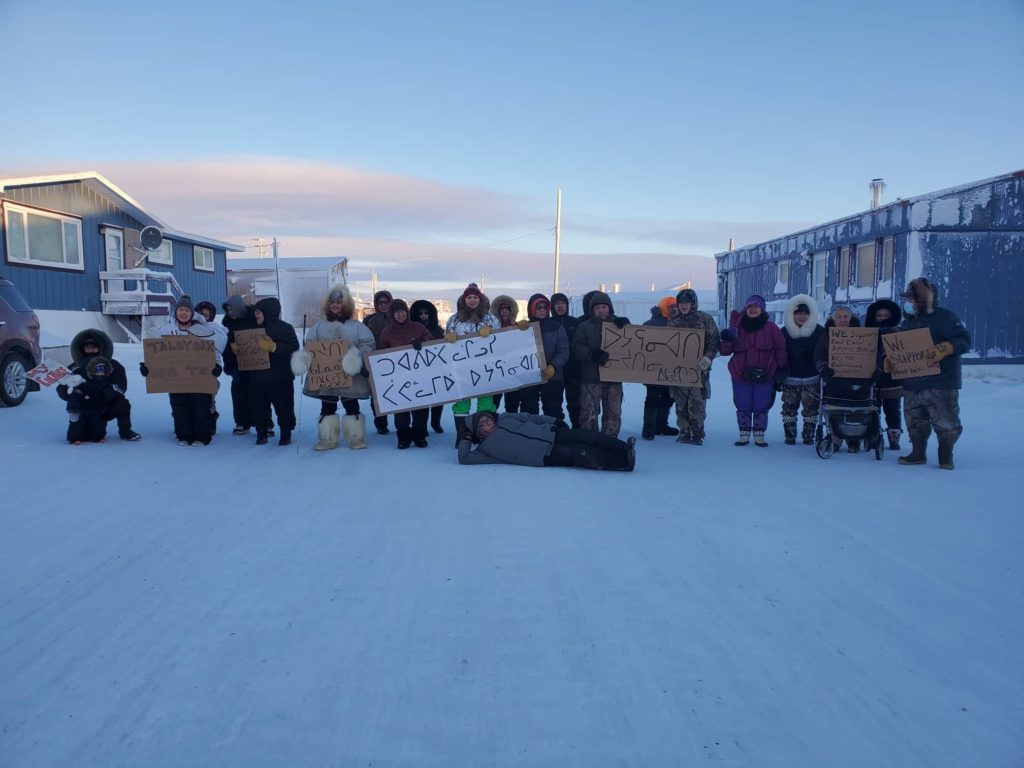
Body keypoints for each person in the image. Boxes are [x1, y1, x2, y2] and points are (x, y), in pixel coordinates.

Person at [892, 278, 971, 470]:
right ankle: (917, 452)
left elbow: (964, 340)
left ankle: (946, 454)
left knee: (945, 421)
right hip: (912, 383)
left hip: (941, 382)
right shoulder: (907, 322)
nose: (909, 303)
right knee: (914, 420)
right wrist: (892, 361)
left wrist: (947, 347)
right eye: (907, 299)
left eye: (912, 298)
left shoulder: (946, 318)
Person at [290, 286, 374, 451]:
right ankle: (328, 438)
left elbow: (369, 344)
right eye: (333, 302)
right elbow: (310, 346)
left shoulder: (356, 326)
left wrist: (354, 356)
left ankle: (355, 438)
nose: (335, 305)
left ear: (346, 304)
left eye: (339, 302)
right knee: (328, 406)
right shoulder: (319, 326)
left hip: (351, 375)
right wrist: (304, 358)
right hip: (327, 376)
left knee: (351, 405)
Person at [140, 295, 223, 446]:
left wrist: (217, 365)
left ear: (191, 313)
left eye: (186, 310)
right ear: (176, 312)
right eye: (180, 310)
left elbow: (214, 351)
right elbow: (156, 354)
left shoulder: (202, 330)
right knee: (180, 407)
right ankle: (183, 435)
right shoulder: (165, 331)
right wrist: (148, 367)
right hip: (176, 378)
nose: (183, 313)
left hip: (199, 377)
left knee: (201, 407)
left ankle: (202, 436)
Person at [457, 411, 636, 471]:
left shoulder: (505, 418)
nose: (489, 422)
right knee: (581, 453)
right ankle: (624, 461)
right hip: (543, 455)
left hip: (551, 433)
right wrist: (465, 437)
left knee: (584, 435)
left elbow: (531, 417)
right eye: (483, 424)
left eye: (488, 419)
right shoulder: (487, 450)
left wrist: (553, 421)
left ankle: (622, 447)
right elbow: (464, 458)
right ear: (479, 433)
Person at [719, 294, 787, 447]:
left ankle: (759, 433)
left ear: (762, 309)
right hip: (740, 372)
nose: (753, 310)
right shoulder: (737, 327)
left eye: (756, 307)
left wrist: (782, 366)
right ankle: (743, 433)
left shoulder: (771, 328)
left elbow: (781, 349)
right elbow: (724, 351)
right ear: (746, 309)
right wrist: (728, 338)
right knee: (743, 402)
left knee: (761, 403)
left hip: (765, 373)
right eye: (750, 307)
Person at [56, 328, 140, 441]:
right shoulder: (74, 367)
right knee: (86, 436)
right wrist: (66, 391)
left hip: (104, 405)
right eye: (88, 347)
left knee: (123, 404)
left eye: (94, 347)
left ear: (100, 348)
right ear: (82, 349)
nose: (91, 350)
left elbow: (120, 387)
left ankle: (125, 431)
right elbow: (62, 385)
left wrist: (104, 394)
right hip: (83, 406)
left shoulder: (113, 366)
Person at [444, 283, 502, 442]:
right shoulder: (454, 319)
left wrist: (492, 333)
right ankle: (463, 435)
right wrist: (448, 337)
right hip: (462, 369)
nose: (472, 300)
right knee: (462, 403)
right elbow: (446, 339)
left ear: (480, 298)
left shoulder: (491, 318)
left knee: (485, 402)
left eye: (475, 297)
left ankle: (485, 436)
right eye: (469, 297)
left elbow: (502, 341)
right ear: (464, 299)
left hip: (485, 368)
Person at [571, 291, 629, 438]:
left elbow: (632, 343)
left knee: (613, 413)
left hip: (613, 378)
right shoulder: (584, 326)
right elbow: (577, 347)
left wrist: (627, 326)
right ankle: (589, 441)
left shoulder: (619, 324)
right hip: (591, 378)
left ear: (609, 308)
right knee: (588, 413)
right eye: (597, 308)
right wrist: (592, 354)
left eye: (604, 307)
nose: (601, 310)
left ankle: (610, 441)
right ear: (592, 310)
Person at [377, 299, 435, 449]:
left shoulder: (418, 327)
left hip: (419, 375)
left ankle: (419, 436)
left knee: (421, 407)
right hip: (398, 378)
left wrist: (421, 344)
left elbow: (432, 343)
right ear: (392, 315)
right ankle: (403, 437)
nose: (400, 316)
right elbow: (381, 352)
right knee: (401, 409)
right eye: (397, 313)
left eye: (402, 312)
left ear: (407, 313)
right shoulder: (387, 332)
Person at [814, 304, 869, 452]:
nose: (843, 320)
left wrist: (872, 369)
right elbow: (819, 353)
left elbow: (871, 354)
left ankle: (854, 438)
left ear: (851, 318)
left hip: (857, 378)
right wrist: (824, 367)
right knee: (834, 409)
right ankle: (835, 438)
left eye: (845, 317)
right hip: (835, 378)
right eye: (839, 317)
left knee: (855, 409)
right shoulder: (826, 334)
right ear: (833, 318)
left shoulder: (863, 334)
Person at [244, 297, 299, 445]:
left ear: (269, 312)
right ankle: (261, 433)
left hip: (280, 378)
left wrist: (274, 347)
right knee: (258, 407)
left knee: (284, 408)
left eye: (259, 312)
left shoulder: (285, 328)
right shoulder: (253, 329)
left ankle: (285, 433)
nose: (256, 315)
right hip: (257, 378)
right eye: (255, 312)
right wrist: (240, 350)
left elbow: (294, 348)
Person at [668, 288, 720, 446]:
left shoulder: (705, 319)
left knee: (697, 402)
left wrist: (708, 357)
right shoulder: (673, 322)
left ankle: (697, 432)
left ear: (693, 303)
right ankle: (684, 432)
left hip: (699, 369)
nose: (684, 306)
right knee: (681, 402)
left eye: (687, 303)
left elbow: (714, 340)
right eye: (681, 303)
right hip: (679, 371)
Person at [222, 295, 270, 437]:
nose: (230, 312)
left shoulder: (254, 317)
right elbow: (225, 346)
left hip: (257, 363)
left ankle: (266, 423)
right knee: (238, 395)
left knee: (260, 395)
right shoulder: (227, 324)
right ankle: (242, 422)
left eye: (231, 309)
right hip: (238, 365)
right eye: (227, 310)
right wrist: (230, 364)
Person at [779, 294, 824, 445]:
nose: (801, 316)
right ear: (792, 314)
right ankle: (790, 434)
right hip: (790, 378)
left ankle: (808, 434)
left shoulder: (819, 331)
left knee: (811, 408)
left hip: (812, 377)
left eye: (805, 313)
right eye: (798, 313)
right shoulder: (784, 332)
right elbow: (779, 353)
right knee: (789, 407)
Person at [516, 294, 569, 417]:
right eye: (538, 307)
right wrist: (516, 329)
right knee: (528, 408)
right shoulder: (524, 328)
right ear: (532, 309)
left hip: (552, 376)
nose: (542, 310)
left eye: (545, 308)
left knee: (553, 409)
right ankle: (529, 433)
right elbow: (515, 350)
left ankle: (554, 434)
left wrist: (554, 366)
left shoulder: (556, 327)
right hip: (529, 375)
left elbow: (563, 351)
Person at [865, 298, 904, 450]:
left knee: (893, 409)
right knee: (872, 409)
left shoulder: (898, 334)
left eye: (885, 315)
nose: (882, 318)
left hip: (892, 379)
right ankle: (873, 434)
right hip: (872, 378)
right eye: (879, 315)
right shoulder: (867, 334)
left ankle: (894, 436)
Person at [640, 298, 680, 440]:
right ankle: (648, 427)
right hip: (653, 370)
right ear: (663, 308)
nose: (674, 309)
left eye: (676, 306)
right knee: (653, 397)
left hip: (672, 370)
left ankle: (661, 424)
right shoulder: (650, 324)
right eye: (670, 306)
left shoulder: (682, 324)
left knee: (668, 398)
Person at [61, 355, 119, 444]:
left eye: (102, 369)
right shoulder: (82, 379)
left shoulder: (106, 379)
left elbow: (112, 390)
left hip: (96, 405)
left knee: (97, 423)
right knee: (77, 422)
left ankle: (98, 437)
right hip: (81, 405)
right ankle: (75, 438)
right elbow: (75, 392)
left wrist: (105, 401)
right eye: (98, 369)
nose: (100, 372)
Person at [409, 299, 447, 434]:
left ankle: (436, 422)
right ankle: (421, 426)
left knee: (438, 398)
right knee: (420, 400)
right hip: (417, 371)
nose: (424, 316)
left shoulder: (438, 330)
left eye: (426, 313)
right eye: (421, 313)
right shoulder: (410, 330)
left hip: (436, 369)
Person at [363, 290, 394, 435]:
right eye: (380, 302)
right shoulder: (369, 320)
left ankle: (402, 423)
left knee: (396, 392)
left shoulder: (397, 317)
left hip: (396, 362)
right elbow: (363, 341)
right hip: (375, 363)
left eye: (386, 302)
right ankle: (381, 423)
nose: (383, 305)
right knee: (376, 396)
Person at [550, 292, 581, 427]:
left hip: (573, 371)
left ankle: (577, 428)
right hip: (554, 370)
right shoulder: (548, 323)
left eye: (563, 303)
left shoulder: (576, 322)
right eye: (557, 304)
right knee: (554, 403)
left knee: (575, 403)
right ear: (552, 306)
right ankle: (558, 429)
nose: (560, 306)